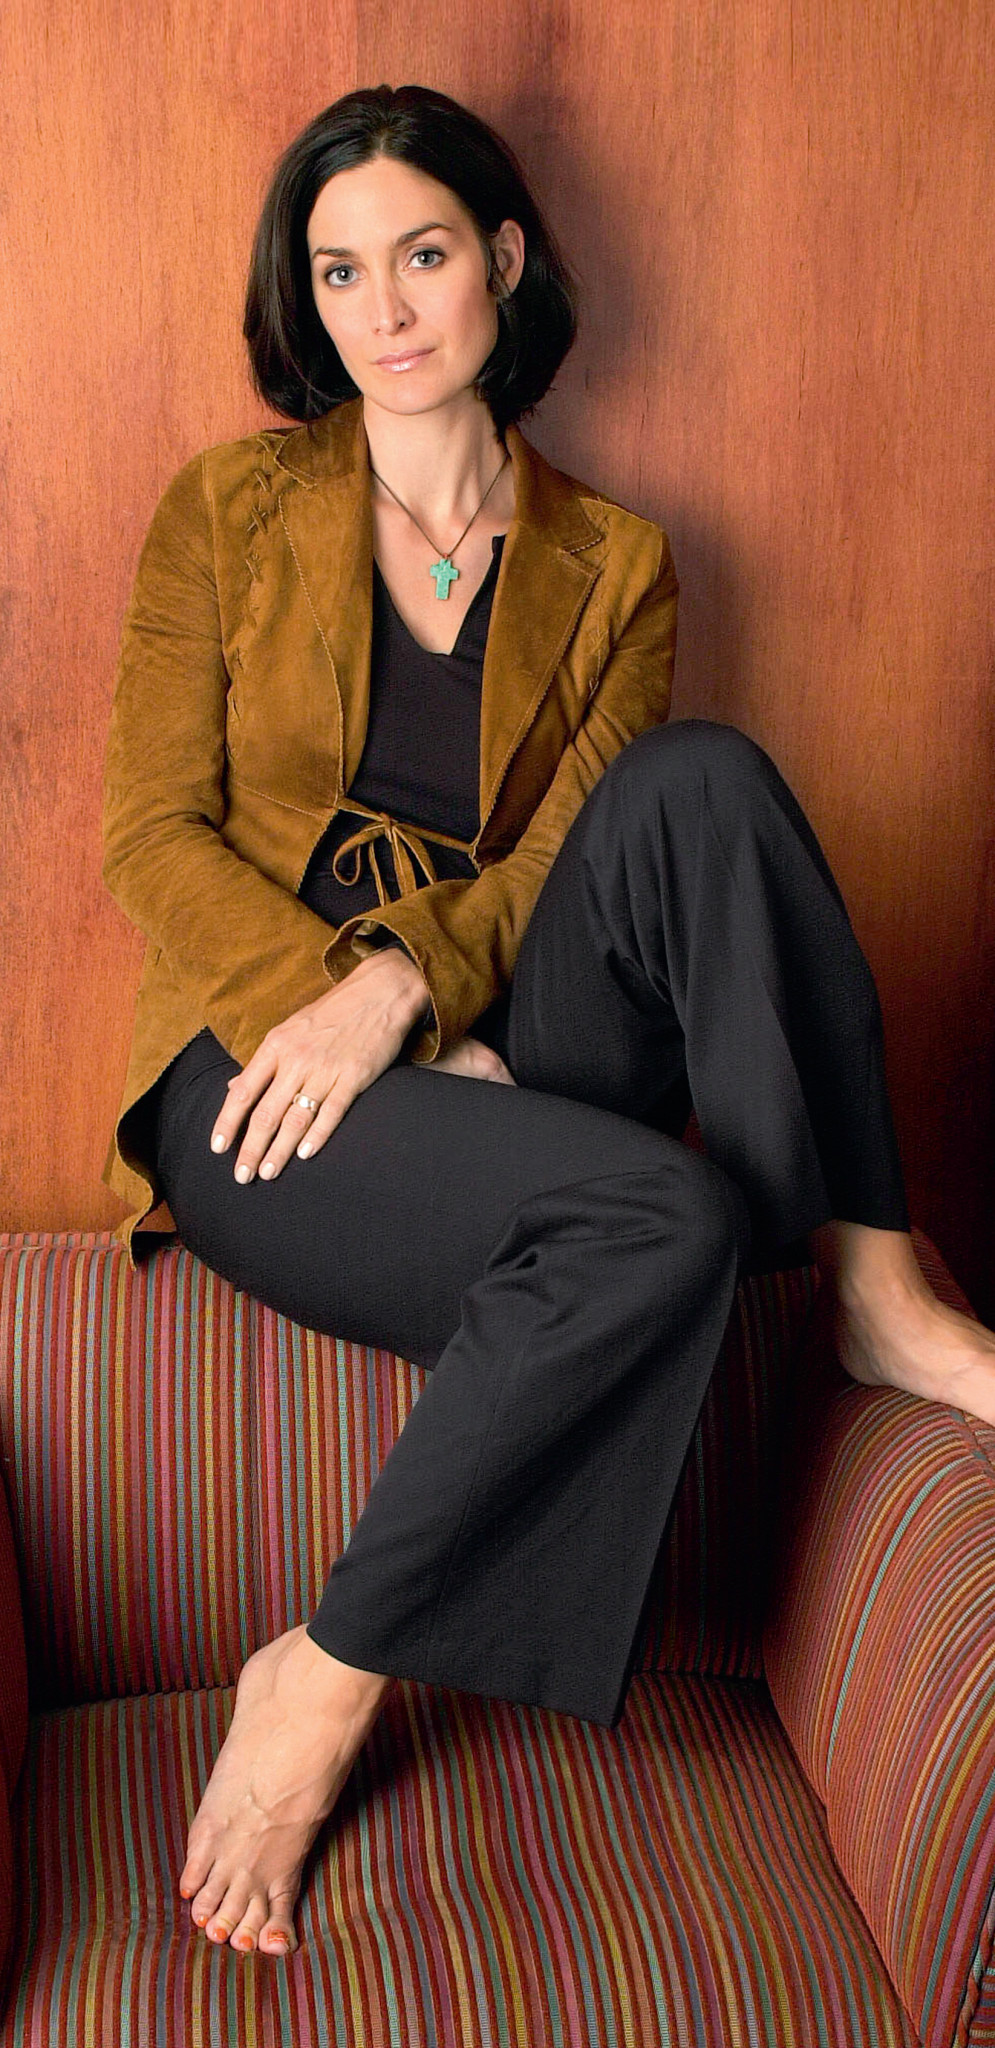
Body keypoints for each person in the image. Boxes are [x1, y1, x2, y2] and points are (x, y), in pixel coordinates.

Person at [101, 82, 995, 1964]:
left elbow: (557, 861)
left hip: (503, 1039)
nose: (383, 309)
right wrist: (342, 1011)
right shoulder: (229, 512)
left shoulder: (619, 563)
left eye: (423, 254)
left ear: (503, 260)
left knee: (700, 784)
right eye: (338, 272)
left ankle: (871, 1278)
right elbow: (149, 834)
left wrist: (415, 993)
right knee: (660, 1216)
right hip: (262, 1081)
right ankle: (324, 1670)